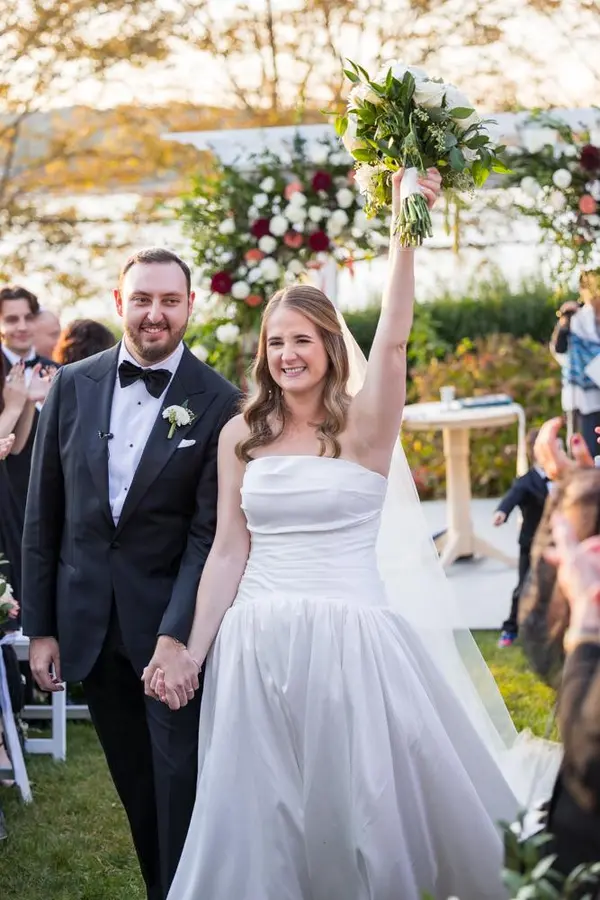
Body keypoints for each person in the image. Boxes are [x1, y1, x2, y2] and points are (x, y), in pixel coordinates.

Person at [149, 170, 532, 900]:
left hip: (349, 640)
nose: (287, 354)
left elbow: (393, 341)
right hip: (254, 644)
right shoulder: (241, 435)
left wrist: (404, 226)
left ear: (329, 345)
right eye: (275, 342)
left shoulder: (365, 429)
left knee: (362, 811)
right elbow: (229, 550)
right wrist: (193, 651)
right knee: (261, 816)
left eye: (301, 340)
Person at [22, 247, 240, 900]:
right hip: (89, 626)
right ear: (120, 303)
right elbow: (43, 512)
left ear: (190, 306)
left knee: (180, 786)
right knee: (137, 791)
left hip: (171, 633)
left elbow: (207, 535)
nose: (155, 314)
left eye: (169, 301)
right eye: (142, 299)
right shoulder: (72, 384)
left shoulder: (219, 400)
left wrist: (177, 637)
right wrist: (42, 629)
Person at [0, 285, 56, 519]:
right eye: (12, 319)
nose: (22, 327)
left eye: (28, 318)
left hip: (47, 498)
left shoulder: (59, 371)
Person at [493, 428, 552, 647]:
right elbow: (512, 496)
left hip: (556, 543)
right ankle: (510, 629)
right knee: (524, 586)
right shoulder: (526, 481)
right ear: (537, 452)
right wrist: (502, 511)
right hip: (532, 542)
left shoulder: (565, 475)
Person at [551, 268, 600, 455]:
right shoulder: (576, 318)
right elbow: (559, 349)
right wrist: (564, 323)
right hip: (582, 398)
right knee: (585, 454)